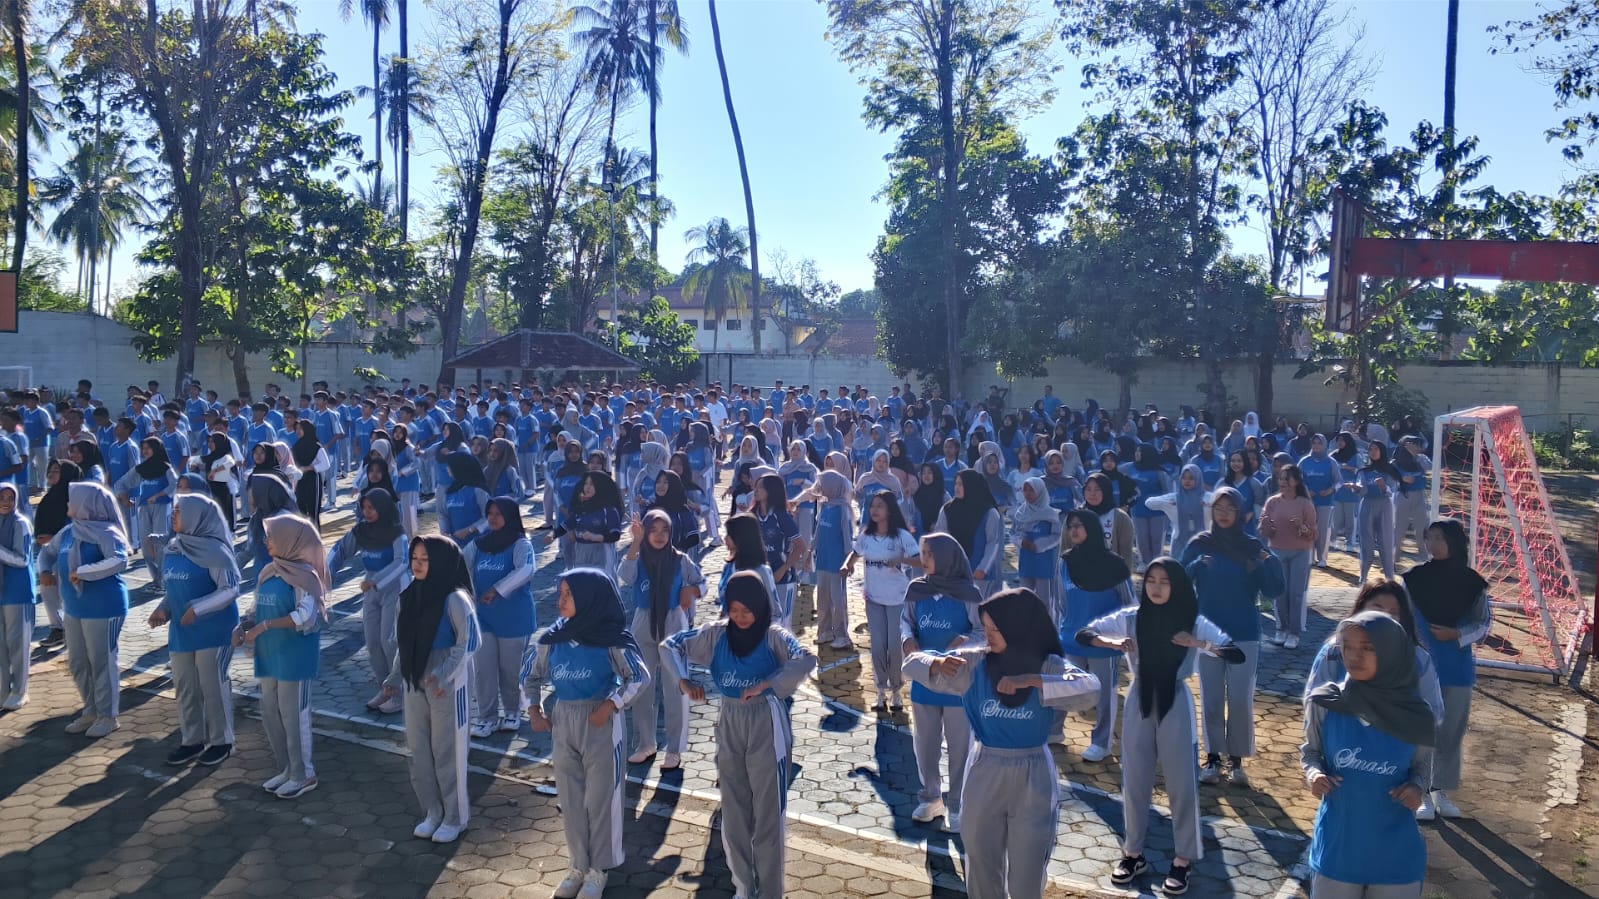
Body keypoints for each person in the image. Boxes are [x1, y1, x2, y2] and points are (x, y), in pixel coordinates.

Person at [903, 588, 1100, 899]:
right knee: (981, 864)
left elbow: (1090, 690)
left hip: (1033, 773)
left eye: (996, 629)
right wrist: (935, 663)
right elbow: (910, 665)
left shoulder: (1047, 665)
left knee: (1027, 872)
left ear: (1018, 626)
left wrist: (1033, 681)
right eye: (985, 627)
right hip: (986, 768)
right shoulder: (975, 662)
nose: (988, 636)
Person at [1076, 559, 1247, 896]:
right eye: (1151, 580)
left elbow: (1235, 652)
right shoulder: (1131, 617)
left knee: (1181, 782)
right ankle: (1133, 853)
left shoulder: (1193, 621)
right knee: (1134, 778)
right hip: (1139, 698)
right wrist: (1111, 644)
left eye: (1164, 581)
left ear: (1177, 585)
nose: (1155, 587)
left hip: (1175, 700)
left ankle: (1183, 858)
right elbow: (1084, 634)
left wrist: (1197, 643)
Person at [662, 572, 817, 899]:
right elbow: (670, 645)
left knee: (768, 816)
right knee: (733, 813)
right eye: (734, 610)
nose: (741, 617)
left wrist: (768, 684)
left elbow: (806, 658)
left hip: (767, 721)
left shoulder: (774, 635)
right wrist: (682, 680)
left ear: (761, 607)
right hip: (729, 721)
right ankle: (744, 888)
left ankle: (770, 892)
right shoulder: (715, 634)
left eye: (748, 610)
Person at [521, 569, 651, 899]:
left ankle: (599, 869)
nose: (560, 600)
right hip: (564, 720)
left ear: (591, 598)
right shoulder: (551, 638)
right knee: (571, 797)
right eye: (560, 593)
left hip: (601, 723)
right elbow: (529, 676)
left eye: (569, 594)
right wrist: (533, 710)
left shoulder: (612, 638)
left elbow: (639, 677)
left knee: (602, 798)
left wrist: (612, 703)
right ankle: (578, 864)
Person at [1302, 611, 1436, 897]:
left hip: (1396, 859)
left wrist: (1416, 788)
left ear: (1391, 653)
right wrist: (1313, 774)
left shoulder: (1417, 715)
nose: (1354, 656)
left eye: (1368, 647)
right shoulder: (1325, 702)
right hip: (1337, 852)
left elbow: (1422, 767)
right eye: (1347, 646)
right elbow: (1311, 752)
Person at [1182, 486, 1284, 788]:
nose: (1224, 514)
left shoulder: (1251, 546)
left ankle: (1236, 760)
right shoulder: (1201, 544)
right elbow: (1177, 579)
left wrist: (1265, 562)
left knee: (1239, 699)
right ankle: (1213, 758)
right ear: (1211, 511)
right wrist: (1196, 566)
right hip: (1208, 633)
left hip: (1244, 632)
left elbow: (1273, 589)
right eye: (1219, 508)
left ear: (1240, 513)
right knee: (1212, 699)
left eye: (1230, 509)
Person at [394, 535, 482, 844]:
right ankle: (433, 811)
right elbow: (402, 643)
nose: (417, 564)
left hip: (447, 682)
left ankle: (455, 817)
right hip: (414, 679)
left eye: (425, 559)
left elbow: (470, 642)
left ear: (441, 561)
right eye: (414, 558)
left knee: (448, 752)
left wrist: (443, 675)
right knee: (419, 750)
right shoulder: (408, 595)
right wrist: (394, 678)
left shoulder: (455, 598)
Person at [1402, 519, 1491, 822]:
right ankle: (1421, 791)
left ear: (1453, 542)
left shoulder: (1472, 583)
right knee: (1423, 730)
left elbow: (1483, 623)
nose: (1433, 544)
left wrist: (1456, 634)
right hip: (1421, 667)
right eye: (1429, 538)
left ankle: (1441, 791)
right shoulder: (1414, 579)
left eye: (1439, 538)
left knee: (1451, 731)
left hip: (1457, 668)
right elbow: (1402, 618)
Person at [147, 494, 241, 766]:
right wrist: (163, 609)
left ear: (197, 516)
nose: (173, 515)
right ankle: (192, 741)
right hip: (182, 631)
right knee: (185, 687)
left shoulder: (216, 551)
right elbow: (174, 588)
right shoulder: (175, 547)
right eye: (174, 510)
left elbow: (230, 589)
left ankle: (222, 741)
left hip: (215, 630)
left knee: (213, 687)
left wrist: (198, 608)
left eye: (179, 511)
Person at [239, 512, 328, 799]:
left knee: (293, 715)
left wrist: (265, 626)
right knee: (270, 712)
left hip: (295, 656)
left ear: (290, 540)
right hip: (269, 653)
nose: (267, 542)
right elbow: (257, 606)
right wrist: (244, 624)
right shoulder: (269, 571)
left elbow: (305, 617)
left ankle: (304, 773)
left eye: (272, 537)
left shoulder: (305, 577)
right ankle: (286, 768)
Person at [899, 534, 981, 831]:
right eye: (922, 553)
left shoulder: (969, 594)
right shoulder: (916, 589)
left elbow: (982, 631)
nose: (923, 559)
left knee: (960, 748)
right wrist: (907, 639)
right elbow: (905, 621)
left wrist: (964, 642)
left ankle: (958, 804)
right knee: (926, 744)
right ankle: (931, 797)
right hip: (925, 680)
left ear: (947, 557)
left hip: (958, 684)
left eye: (930, 554)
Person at [38, 482, 131, 738]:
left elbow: (119, 560)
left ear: (86, 503)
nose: (68, 503)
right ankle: (90, 710)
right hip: (75, 608)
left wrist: (83, 572)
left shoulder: (107, 532)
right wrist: (44, 570)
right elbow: (47, 553)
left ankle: (107, 716)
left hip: (104, 607)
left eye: (73, 499)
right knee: (78, 662)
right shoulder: (69, 531)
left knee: (101, 661)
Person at [619, 510, 703, 770]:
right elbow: (625, 575)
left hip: (674, 625)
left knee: (675, 689)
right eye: (653, 530)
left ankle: (674, 749)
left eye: (664, 530)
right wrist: (635, 542)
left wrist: (691, 590)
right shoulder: (639, 558)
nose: (659, 536)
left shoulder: (680, 559)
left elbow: (702, 583)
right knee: (642, 686)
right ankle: (645, 743)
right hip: (643, 623)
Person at [1303, 579, 1444, 726]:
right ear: (1361, 609)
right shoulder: (1334, 650)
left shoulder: (1418, 658)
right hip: (1340, 738)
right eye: (1377, 609)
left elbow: (1434, 713)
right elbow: (1314, 702)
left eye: (1393, 613)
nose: (1384, 618)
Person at [1057, 510, 1135, 761]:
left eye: (1080, 525)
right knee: (1063, 687)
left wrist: (1124, 636)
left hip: (1104, 642)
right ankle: (1053, 731)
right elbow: (1059, 602)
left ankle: (1102, 743)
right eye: (1071, 526)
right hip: (1071, 638)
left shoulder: (1114, 564)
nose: (1074, 530)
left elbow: (1129, 603)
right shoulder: (1065, 562)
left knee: (1104, 695)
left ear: (1092, 528)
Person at [326, 490, 410, 715]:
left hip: (395, 587)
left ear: (383, 508)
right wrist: (325, 573)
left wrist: (376, 581)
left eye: (372, 508)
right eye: (364, 508)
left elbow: (402, 562)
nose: (367, 512)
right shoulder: (361, 530)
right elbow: (340, 549)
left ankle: (400, 693)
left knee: (389, 641)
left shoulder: (397, 532)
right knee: (372, 642)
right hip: (371, 589)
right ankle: (385, 689)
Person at [463, 496, 537, 738]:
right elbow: (460, 566)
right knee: (484, 670)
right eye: (490, 513)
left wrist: (497, 589)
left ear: (510, 516)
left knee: (510, 670)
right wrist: (467, 593)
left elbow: (526, 569)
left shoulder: (521, 544)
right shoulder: (478, 544)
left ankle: (513, 711)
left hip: (514, 619)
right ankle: (487, 717)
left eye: (498, 513)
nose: (493, 518)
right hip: (483, 618)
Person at [846, 492, 921, 710]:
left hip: (897, 599)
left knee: (894, 647)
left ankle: (896, 690)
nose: (874, 510)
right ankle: (880, 691)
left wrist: (900, 560)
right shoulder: (866, 535)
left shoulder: (902, 536)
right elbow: (854, 553)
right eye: (872, 506)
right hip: (873, 599)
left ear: (889, 510)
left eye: (879, 506)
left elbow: (920, 560)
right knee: (878, 647)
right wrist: (847, 565)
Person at [1260, 463, 1317, 649]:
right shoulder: (1272, 502)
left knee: (1296, 593)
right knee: (1280, 593)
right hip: (1277, 551)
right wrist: (1266, 525)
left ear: (1296, 481)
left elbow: (1313, 534)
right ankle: (1281, 628)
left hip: (1300, 552)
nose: (1283, 482)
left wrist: (1302, 526)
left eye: (1287, 478)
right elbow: (1264, 531)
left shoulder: (1305, 504)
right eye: (1281, 478)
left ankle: (1294, 632)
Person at [797, 469, 854, 650]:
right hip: (822, 560)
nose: (820, 487)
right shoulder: (824, 505)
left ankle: (842, 635)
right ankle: (825, 631)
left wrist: (849, 561)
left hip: (837, 563)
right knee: (822, 598)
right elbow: (818, 533)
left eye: (823, 483)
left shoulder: (843, 509)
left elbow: (847, 537)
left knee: (837, 599)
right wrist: (809, 552)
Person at [115, 436, 177, 595]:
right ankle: (155, 579)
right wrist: (124, 497)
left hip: (162, 507)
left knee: (160, 542)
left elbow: (175, 484)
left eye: (148, 448)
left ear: (156, 449)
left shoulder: (166, 468)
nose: (145, 451)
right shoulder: (141, 468)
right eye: (143, 448)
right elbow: (121, 483)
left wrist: (159, 495)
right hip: (144, 508)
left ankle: (163, 582)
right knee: (146, 543)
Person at [30, 459, 79, 648]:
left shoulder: (76, 499)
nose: (51, 473)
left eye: (56, 470)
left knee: (66, 591)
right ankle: (57, 629)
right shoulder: (48, 498)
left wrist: (54, 537)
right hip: (50, 551)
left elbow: (75, 527)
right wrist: (41, 538)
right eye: (50, 470)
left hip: (72, 554)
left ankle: (72, 630)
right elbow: (40, 525)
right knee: (47, 586)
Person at [935, 470, 1004, 601]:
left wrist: (983, 569)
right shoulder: (947, 510)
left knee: (978, 611)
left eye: (961, 484)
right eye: (956, 484)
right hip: (954, 573)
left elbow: (993, 543)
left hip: (979, 574)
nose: (957, 487)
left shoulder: (989, 512)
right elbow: (941, 539)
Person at [752, 473, 805, 629]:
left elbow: (801, 547)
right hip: (759, 578)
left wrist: (782, 570)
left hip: (782, 579)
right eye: (756, 487)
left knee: (782, 627)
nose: (756, 490)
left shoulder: (781, 516)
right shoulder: (752, 516)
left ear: (771, 491)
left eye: (760, 488)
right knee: (761, 624)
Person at [0, 483, 35, 707]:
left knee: (17, 644)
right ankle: (3, 691)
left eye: (10, 498)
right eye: (2, 497)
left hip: (18, 591)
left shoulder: (21, 523)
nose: (6, 502)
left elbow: (23, 559)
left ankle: (20, 691)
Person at [1012, 477, 1063, 621]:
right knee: (1025, 597)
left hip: (1044, 562)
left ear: (1040, 491)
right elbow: (1013, 533)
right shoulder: (1021, 513)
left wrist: (1039, 545)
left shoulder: (1051, 514)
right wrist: (1021, 542)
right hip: (1026, 560)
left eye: (1031, 490)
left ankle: (1046, 627)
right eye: (1025, 490)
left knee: (1044, 601)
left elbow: (1057, 536)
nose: (1028, 494)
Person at [558, 471, 625, 570]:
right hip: (581, 554)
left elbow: (615, 535)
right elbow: (568, 524)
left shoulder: (609, 510)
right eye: (586, 483)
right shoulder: (581, 508)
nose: (587, 487)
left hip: (602, 555)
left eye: (592, 484)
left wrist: (595, 537)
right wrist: (556, 534)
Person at [1355, 441, 1399, 582]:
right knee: (1366, 543)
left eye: (1376, 449)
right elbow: (1362, 488)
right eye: (1370, 449)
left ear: (1382, 451)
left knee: (1385, 542)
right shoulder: (1364, 471)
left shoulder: (1390, 470)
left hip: (1384, 506)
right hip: (1367, 505)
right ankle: (1363, 577)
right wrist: (1356, 488)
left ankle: (1390, 578)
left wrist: (1383, 486)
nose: (1373, 452)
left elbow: (1392, 491)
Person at [1298, 434, 1341, 568]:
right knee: (1308, 528)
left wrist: (1330, 490)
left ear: (1324, 445)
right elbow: (1296, 479)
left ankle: (1322, 558)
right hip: (1307, 501)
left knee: (1323, 530)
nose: (1316, 445)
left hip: (1325, 501)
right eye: (1314, 443)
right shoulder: (1304, 461)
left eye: (1319, 443)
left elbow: (1339, 481)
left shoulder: (1331, 462)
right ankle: (1309, 556)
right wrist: (1305, 490)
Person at [1082, 472, 1136, 571]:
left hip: (1110, 573)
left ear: (1106, 490)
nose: (1092, 494)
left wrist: (1124, 577)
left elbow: (1126, 554)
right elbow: (1066, 548)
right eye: (1088, 489)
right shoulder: (1076, 516)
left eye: (1098, 489)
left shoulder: (1121, 518)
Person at [441, 452, 490, 543]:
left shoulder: (478, 491)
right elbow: (443, 515)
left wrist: (469, 530)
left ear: (459, 467)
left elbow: (488, 518)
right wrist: (444, 533)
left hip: (480, 543)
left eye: (450, 465)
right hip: (456, 544)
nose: (447, 468)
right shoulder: (449, 492)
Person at [290, 419, 330, 528]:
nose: (298, 431)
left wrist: (310, 468)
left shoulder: (316, 446)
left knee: (313, 512)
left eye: (301, 428)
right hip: (299, 481)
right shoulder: (296, 446)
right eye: (296, 429)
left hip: (313, 481)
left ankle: (315, 536)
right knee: (301, 511)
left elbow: (326, 464)